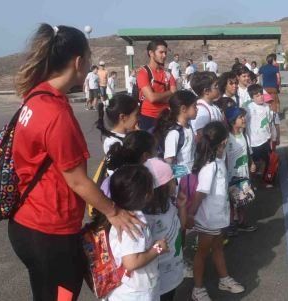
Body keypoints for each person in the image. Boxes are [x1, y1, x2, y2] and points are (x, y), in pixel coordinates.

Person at [11, 24, 142, 301]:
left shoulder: (35, 96)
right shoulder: (55, 113)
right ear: (79, 62)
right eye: (90, 56)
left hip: (28, 222)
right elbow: (78, 180)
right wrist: (113, 211)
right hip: (49, 230)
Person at [189, 122, 245, 301]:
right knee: (202, 253)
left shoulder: (218, 162)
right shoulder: (210, 166)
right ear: (223, 142)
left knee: (219, 247)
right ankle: (197, 289)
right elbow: (200, 194)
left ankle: (224, 279)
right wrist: (190, 215)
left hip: (219, 217)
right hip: (208, 220)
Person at [104, 164, 169, 301]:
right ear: (146, 195)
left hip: (124, 289)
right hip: (135, 292)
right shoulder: (133, 222)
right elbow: (131, 262)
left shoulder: (117, 214)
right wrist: (157, 248)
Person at [143, 158, 186, 301]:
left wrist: (182, 207)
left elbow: (182, 226)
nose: (176, 183)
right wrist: (158, 249)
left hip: (173, 271)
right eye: (173, 180)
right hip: (158, 278)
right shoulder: (146, 218)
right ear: (162, 187)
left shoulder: (170, 203)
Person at [224, 106, 257, 236]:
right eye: (240, 117)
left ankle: (242, 222)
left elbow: (248, 152)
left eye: (244, 116)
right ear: (232, 121)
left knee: (243, 200)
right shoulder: (227, 138)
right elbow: (224, 158)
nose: (244, 119)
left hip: (244, 174)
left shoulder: (244, 135)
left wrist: (252, 163)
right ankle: (231, 224)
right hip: (231, 176)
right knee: (231, 203)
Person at [153, 90, 198, 176]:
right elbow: (169, 161)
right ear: (183, 109)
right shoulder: (175, 133)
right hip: (181, 180)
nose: (197, 109)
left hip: (190, 178)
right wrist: (180, 178)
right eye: (194, 106)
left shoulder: (189, 127)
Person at [137, 39, 177, 131]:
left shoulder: (167, 74)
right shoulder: (143, 73)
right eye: (161, 52)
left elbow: (174, 95)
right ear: (151, 53)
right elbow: (152, 98)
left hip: (166, 117)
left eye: (165, 53)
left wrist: (161, 96)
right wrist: (169, 92)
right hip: (148, 118)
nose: (164, 56)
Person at [245, 84, 279, 188]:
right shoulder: (248, 108)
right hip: (254, 142)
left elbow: (270, 123)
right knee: (253, 164)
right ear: (252, 98)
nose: (260, 97)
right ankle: (251, 182)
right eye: (257, 96)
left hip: (265, 139)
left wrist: (273, 137)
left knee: (267, 161)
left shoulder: (266, 107)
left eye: (261, 95)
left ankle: (266, 180)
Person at [190, 71, 223, 136]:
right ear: (206, 91)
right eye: (216, 86)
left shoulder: (213, 106)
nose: (218, 87)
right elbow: (201, 135)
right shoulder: (201, 110)